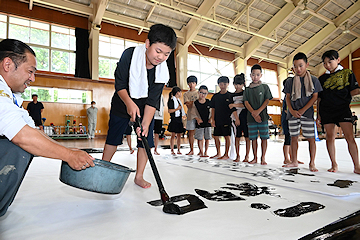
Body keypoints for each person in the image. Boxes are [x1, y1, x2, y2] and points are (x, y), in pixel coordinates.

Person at [0, 39, 94, 217]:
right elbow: (22, 136)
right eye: (30, 71)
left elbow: (31, 129)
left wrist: (68, 149)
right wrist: (68, 155)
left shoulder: (10, 96)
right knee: (17, 146)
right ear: (7, 64)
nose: (32, 79)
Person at [101, 24, 177, 189]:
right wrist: (129, 103)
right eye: (158, 51)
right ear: (147, 43)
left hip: (144, 107)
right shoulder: (130, 55)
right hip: (123, 100)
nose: (161, 57)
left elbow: (153, 100)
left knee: (145, 140)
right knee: (114, 136)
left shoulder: (163, 71)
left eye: (167, 54)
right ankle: (102, 167)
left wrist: (145, 124)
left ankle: (139, 176)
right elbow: (119, 84)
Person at [317, 50, 360, 174]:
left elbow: (355, 90)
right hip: (327, 110)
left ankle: (357, 166)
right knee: (330, 137)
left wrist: (344, 96)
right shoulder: (322, 78)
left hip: (342, 109)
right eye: (324, 63)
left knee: (349, 137)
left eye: (330, 62)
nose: (327, 65)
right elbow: (319, 98)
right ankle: (334, 164)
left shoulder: (347, 73)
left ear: (338, 60)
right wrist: (319, 114)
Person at [283, 52, 322, 172]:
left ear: (307, 65)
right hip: (293, 113)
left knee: (311, 138)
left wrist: (302, 110)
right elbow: (287, 97)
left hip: (308, 113)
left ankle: (312, 163)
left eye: (300, 65)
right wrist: (292, 110)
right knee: (293, 137)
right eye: (295, 66)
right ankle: (294, 161)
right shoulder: (289, 81)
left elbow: (315, 97)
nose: (298, 69)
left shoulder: (314, 80)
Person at [244, 64, 273, 165]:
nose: (255, 77)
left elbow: (267, 100)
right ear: (250, 75)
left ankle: (263, 157)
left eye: (257, 75)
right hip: (251, 118)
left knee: (264, 137)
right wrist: (254, 113)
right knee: (253, 138)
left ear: (261, 75)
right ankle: (255, 157)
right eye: (253, 75)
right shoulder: (247, 89)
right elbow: (246, 102)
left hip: (263, 117)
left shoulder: (265, 87)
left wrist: (258, 112)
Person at [210, 76, 235, 160]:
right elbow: (212, 108)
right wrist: (212, 119)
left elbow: (233, 109)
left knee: (226, 136)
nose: (223, 86)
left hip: (227, 119)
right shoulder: (215, 96)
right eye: (221, 84)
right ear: (218, 85)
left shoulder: (230, 96)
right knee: (216, 136)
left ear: (228, 84)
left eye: (225, 84)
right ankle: (218, 153)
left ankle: (226, 154)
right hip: (217, 119)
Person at [229, 73, 250, 162]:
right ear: (233, 84)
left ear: (243, 84)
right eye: (236, 84)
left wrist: (235, 104)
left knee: (247, 137)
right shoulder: (231, 95)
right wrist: (237, 118)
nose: (238, 86)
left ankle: (247, 156)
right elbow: (231, 107)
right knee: (237, 137)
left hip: (245, 117)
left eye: (240, 84)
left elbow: (246, 105)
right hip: (235, 118)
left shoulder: (246, 93)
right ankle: (238, 156)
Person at [193, 85, 211, 157]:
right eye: (201, 93)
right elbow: (193, 112)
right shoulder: (195, 103)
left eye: (205, 93)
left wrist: (211, 118)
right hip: (199, 123)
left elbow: (212, 111)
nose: (203, 95)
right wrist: (197, 119)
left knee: (207, 138)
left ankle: (206, 152)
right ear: (198, 92)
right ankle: (201, 152)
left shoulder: (209, 102)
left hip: (208, 122)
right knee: (199, 138)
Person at [167, 86, 186, 155]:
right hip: (174, 119)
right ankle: (172, 149)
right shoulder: (171, 100)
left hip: (179, 119)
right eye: (180, 92)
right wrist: (177, 109)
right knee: (173, 135)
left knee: (179, 135)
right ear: (178, 93)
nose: (181, 94)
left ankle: (178, 149)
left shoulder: (179, 101)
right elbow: (169, 111)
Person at [183, 75, 198, 155]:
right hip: (190, 115)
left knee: (200, 133)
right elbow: (188, 105)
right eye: (190, 83)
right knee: (191, 133)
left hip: (199, 115)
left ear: (195, 83)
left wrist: (191, 102)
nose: (191, 84)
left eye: (193, 83)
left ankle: (201, 150)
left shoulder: (199, 92)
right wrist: (196, 102)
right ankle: (191, 150)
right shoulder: (186, 94)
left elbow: (202, 102)